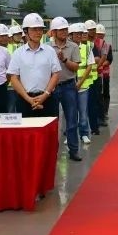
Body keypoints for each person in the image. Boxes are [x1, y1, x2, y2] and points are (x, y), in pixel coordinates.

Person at [7, 13, 62, 122]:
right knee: (27, 136)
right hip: (25, 100)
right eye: (34, 29)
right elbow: (13, 78)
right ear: (26, 31)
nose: (38, 32)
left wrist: (45, 95)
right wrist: (29, 99)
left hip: (48, 99)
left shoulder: (50, 51)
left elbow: (56, 74)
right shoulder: (18, 53)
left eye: (40, 29)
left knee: (49, 135)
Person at [50, 17, 84, 160]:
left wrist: (64, 60)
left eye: (65, 29)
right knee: (52, 121)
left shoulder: (73, 47)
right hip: (52, 87)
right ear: (54, 32)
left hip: (69, 86)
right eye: (61, 30)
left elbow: (76, 68)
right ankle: (51, 151)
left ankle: (73, 150)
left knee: (71, 119)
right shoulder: (47, 48)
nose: (64, 32)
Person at [70, 23, 96, 142]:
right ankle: (71, 134)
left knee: (83, 111)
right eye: (77, 34)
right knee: (70, 112)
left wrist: (80, 82)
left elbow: (89, 66)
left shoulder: (87, 48)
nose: (80, 36)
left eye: (81, 34)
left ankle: (84, 133)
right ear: (71, 35)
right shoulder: (67, 48)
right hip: (69, 86)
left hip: (83, 86)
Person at [84, 19, 105, 136]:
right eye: (89, 30)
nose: (91, 32)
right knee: (77, 108)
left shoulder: (92, 45)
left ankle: (94, 127)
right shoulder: (76, 45)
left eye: (93, 30)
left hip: (92, 79)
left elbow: (98, 59)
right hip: (79, 80)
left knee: (93, 103)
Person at [95, 23, 113, 127]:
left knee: (105, 93)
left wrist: (100, 64)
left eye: (101, 34)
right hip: (95, 74)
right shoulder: (93, 45)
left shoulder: (107, 45)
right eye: (98, 34)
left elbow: (109, 60)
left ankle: (105, 111)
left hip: (105, 74)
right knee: (98, 95)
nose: (100, 36)